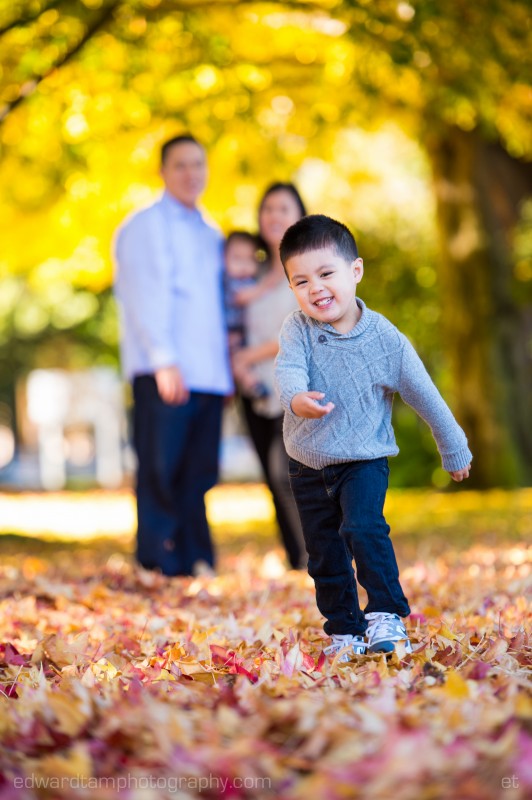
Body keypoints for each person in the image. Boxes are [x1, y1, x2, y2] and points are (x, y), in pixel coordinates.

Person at [275, 214, 472, 658]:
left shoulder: (387, 340)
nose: (316, 288)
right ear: (291, 287)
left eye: (326, 274)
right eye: (301, 281)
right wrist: (296, 398)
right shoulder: (298, 329)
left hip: (363, 459)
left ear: (355, 271)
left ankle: (385, 614)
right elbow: (288, 368)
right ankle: (344, 630)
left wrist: (453, 445)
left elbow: (425, 395)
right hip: (307, 463)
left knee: (364, 528)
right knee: (324, 554)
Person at [114, 134, 232, 577]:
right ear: (163, 171)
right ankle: (157, 561)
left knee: (198, 474)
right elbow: (145, 297)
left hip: (208, 373)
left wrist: (226, 376)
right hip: (163, 370)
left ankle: (193, 560)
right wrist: (164, 359)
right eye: (180, 165)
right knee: (160, 470)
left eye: (198, 165)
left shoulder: (210, 231)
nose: (190, 174)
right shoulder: (145, 225)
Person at [231, 183, 308, 570]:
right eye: (267, 209)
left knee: (291, 475)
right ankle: (297, 559)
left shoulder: (308, 267)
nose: (274, 216)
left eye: (283, 208)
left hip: (294, 389)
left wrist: (248, 353)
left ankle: (319, 559)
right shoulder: (251, 273)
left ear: (299, 215)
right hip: (255, 392)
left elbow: (298, 328)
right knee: (273, 481)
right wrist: (237, 362)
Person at [223, 231, 267, 399]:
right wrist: (268, 284)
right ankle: (252, 384)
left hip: (244, 330)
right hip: (232, 330)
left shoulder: (251, 279)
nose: (243, 266)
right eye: (237, 259)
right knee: (236, 361)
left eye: (250, 259)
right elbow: (244, 296)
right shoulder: (231, 282)